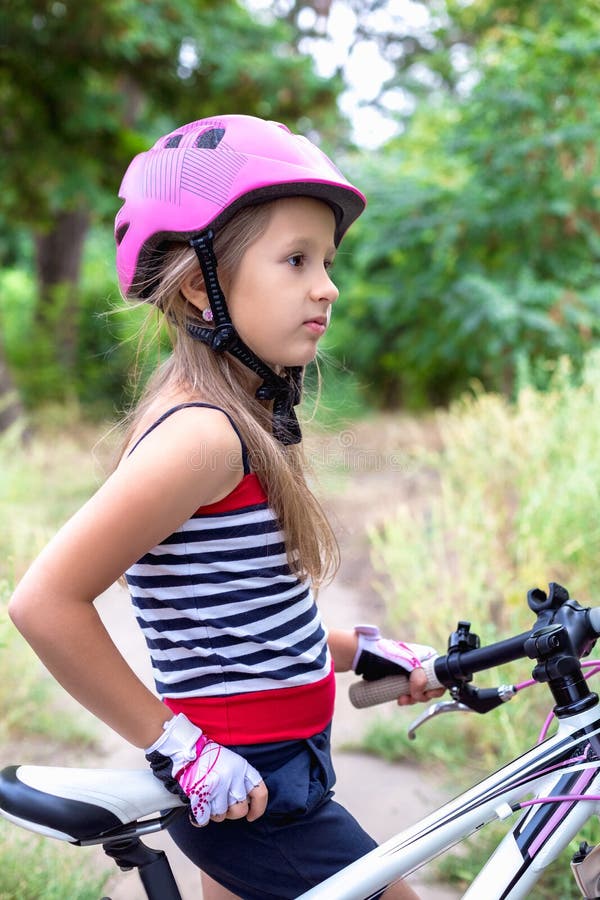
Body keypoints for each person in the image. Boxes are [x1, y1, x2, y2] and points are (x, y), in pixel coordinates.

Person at [9, 115, 443, 900]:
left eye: (328, 261)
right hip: (251, 788)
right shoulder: (202, 437)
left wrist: (366, 651)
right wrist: (177, 747)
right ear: (200, 282)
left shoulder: (232, 423)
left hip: (269, 773)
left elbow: (246, 623)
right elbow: (44, 603)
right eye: (295, 259)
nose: (328, 286)